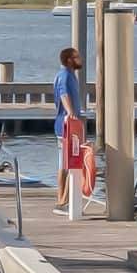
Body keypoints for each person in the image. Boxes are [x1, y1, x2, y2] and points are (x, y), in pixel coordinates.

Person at [53, 47, 83, 212]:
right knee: (71, 162)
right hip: (66, 124)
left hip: (62, 124)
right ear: (70, 60)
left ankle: (61, 199)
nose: (81, 59)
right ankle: (63, 202)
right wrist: (71, 114)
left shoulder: (65, 75)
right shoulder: (65, 76)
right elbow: (64, 95)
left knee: (63, 163)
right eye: (77, 57)